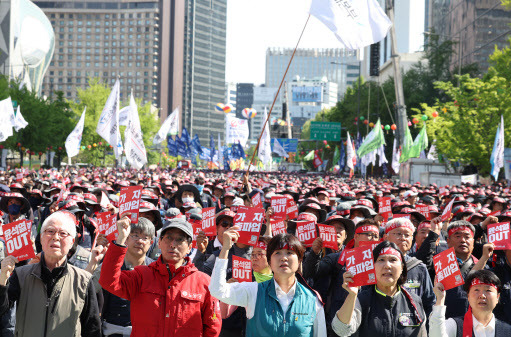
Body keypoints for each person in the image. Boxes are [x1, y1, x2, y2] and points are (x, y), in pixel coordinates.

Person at [99, 215, 221, 337]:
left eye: (180, 240)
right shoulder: (141, 275)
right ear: (160, 243)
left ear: (189, 247)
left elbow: (212, 328)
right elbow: (108, 281)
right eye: (168, 238)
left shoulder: (204, 283)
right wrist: (120, 240)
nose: (173, 244)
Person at [0, 211, 101, 336]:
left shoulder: (83, 281)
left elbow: (92, 328)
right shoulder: (21, 275)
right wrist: (3, 278)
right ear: (41, 238)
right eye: (50, 231)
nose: (56, 237)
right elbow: (2, 310)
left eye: (63, 233)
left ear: (72, 242)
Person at [209, 230, 327, 337]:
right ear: (270, 261)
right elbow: (217, 290)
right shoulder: (253, 291)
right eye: (277, 253)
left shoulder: (312, 299)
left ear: (300, 260)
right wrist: (225, 249)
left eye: (290, 252)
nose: (284, 258)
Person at [332, 241, 427, 336]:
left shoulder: (414, 301)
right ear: (372, 266)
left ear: (402, 267)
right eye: (381, 260)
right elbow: (341, 330)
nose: (387, 265)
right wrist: (352, 295)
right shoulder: (361, 301)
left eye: (393, 260)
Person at [89, 217, 155, 337]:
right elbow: (89, 290)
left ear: (151, 242)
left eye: (145, 238)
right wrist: (93, 262)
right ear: (126, 238)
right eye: (135, 235)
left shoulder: (155, 269)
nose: (140, 241)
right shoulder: (112, 265)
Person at [430, 269, 511, 336]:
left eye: (488, 290)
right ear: (468, 296)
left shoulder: (507, 331)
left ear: (497, 297)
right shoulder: (455, 326)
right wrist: (440, 299)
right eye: (476, 290)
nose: (482, 295)